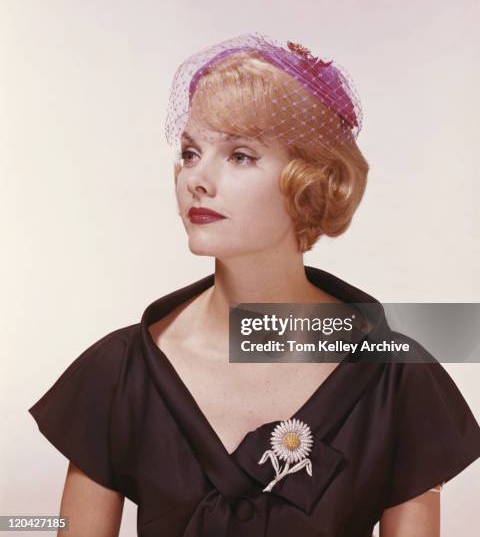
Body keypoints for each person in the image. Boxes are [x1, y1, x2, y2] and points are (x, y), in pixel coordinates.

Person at [29, 33, 480, 537]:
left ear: (310, 182)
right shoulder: (119, 373)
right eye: (191, 151)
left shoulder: (397, 380)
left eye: (240, 155)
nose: (197, 178)